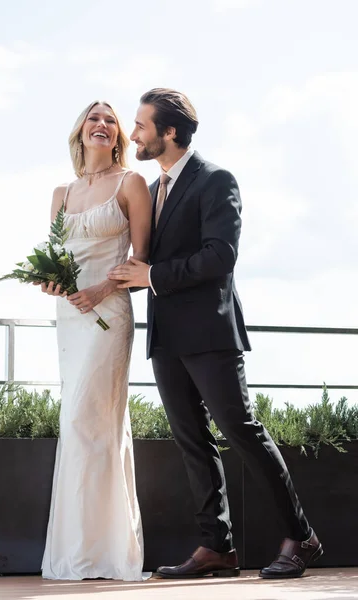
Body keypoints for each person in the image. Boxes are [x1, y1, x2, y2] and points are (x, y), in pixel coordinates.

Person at [108, 88, 322, 580]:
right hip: (165, 337)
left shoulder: (215, 180)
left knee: (243, 432)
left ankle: (302, 536)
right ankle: (216, 548)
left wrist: (153, 276)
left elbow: (219, 257)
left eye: (141, 125)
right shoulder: (153, 187)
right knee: (192, 442)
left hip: (210, 335)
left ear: (170, 132)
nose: (133, 133)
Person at [39, 100, 152, 581]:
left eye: (110, 119)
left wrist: (103, 288)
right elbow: (51, 257)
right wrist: (51, 283)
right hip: (70, 316)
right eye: (94, 117)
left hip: (108, 311)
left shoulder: (132, 184)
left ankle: (110, 552)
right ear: (81, 132)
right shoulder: (61, 193)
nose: (102, 124)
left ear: (118, 135)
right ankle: (73, 550)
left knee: (98, 420)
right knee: (75, 422)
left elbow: (142, 262)